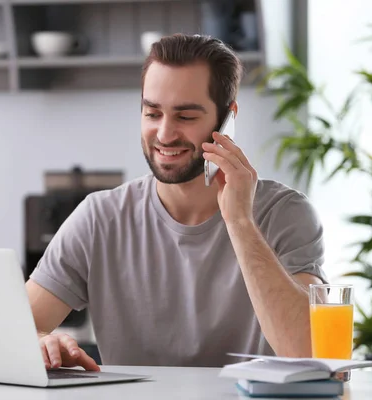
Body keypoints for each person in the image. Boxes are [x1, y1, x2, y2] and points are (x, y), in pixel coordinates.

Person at [25, 33, 327, 372]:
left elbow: (310, 352)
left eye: (185, 117)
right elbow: (11, 331)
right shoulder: (100, 218)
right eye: (153, 113)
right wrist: (40, 342)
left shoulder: (285, 214)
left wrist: (240, 222)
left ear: (228, 119)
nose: (165, 134)